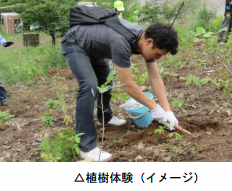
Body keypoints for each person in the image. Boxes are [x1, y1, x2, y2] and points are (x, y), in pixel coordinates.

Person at [61, 16, 179, 162]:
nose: (158, 58)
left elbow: (155, 78)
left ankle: (105, 117)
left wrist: (167, 110)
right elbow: (127, 84)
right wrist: (154, 107)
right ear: (149, 42)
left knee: (105, 82)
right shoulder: (121, 42)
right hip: (75, 43)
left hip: (96, 48)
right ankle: (86, 147)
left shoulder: (146, 39)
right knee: (89, 85)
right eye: (158, 54)